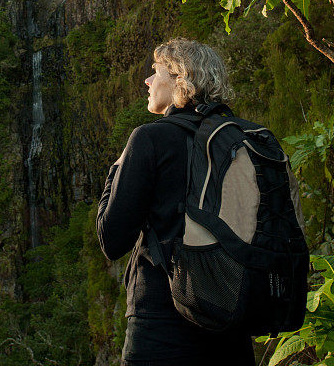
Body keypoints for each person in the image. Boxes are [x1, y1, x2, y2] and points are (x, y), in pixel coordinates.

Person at [96, 38, 256, 366]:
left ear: (180, 78)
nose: (148, 81)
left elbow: (110, 238)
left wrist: (116, 170)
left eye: (156, 72)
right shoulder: (245, 140)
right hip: (232, 322)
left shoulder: (150, 138)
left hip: (161, 325)